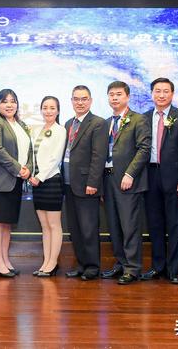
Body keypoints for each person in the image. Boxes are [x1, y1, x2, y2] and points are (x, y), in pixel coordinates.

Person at [141, 78, 178, 284]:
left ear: (172, 94)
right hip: (150, 175)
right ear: (152, 94)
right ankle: (157, 267)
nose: (161, 95)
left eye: (165, 91)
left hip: (174, 179)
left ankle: (173, 270)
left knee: (174, 224)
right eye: (157, 91)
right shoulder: (144, 118)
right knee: (154, 224)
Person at [101, 81, 151, 285]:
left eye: (119, 94)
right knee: (114, 225)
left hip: (128, 181)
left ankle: (132, 268)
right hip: (108, 179)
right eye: (111, 94)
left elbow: (144, 149)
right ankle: (121, 263)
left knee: (129, 226)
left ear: (127, 97)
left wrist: (130, 174)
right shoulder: (106, 123)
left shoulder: (139, 119)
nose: (114, 98)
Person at [0, 89, 33, 278]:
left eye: (13, 101)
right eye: (5, 101)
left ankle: (5, 259)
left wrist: (28, 168)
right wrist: (18, 168)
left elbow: (29, 151)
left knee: (7, 224)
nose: (9, 105)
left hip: (16, 182)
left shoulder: (21, 124)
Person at [62, 85, 108, 281]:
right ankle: (81, 265)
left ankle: (92, 267)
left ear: (90, 101)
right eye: (76, 99)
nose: (80, 102)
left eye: (84, 99)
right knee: (75, 228)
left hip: (87, 184)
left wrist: (93, 182)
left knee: (88, 228)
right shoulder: (68, 123)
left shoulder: (98, 123)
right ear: (71, 101)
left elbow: (99, 156)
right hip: (68, 183)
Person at [29, 96, 66, 277]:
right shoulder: (37, 129)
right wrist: (31, 175)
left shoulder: (60, 130)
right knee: (44, 226)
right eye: (45, 107)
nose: (48, 111)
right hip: (37, 183)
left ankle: (53, 262)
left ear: (58, 111)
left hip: (51, 181)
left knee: (54, 224)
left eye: (52, 108)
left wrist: (40, 177)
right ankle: (45, 262)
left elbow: (55, 158)